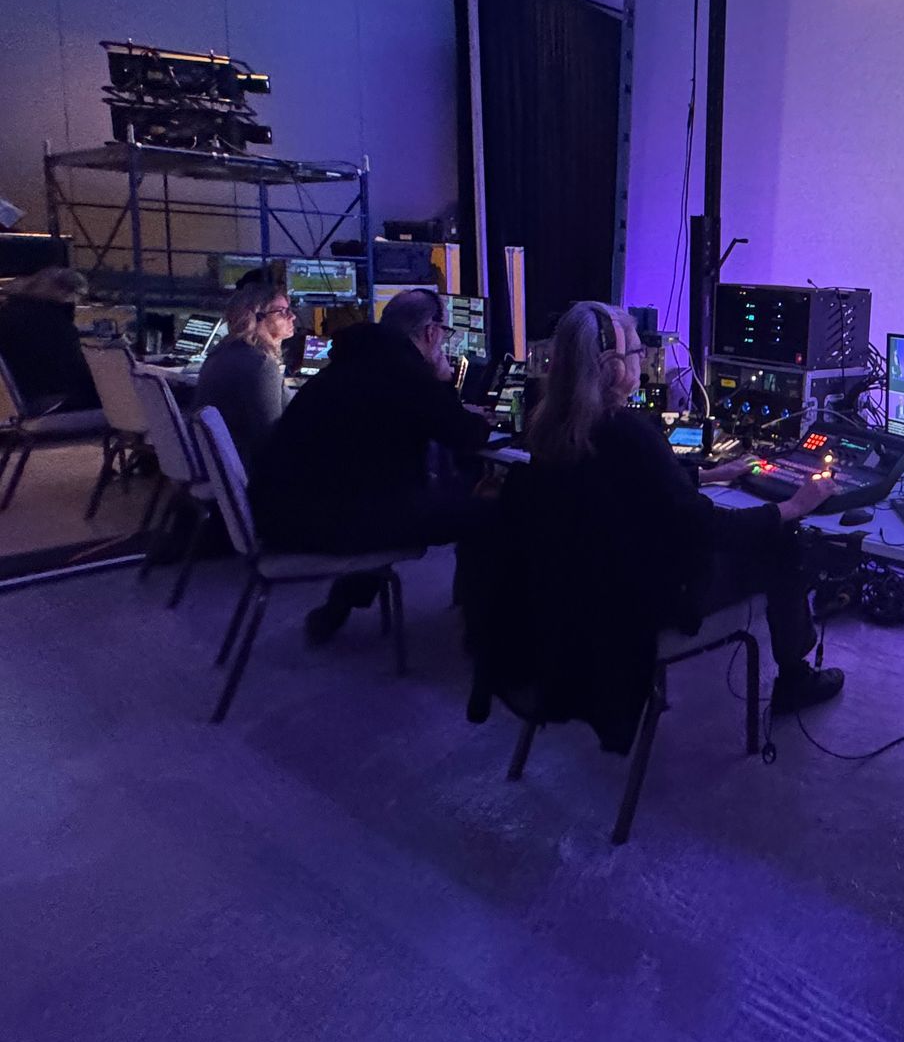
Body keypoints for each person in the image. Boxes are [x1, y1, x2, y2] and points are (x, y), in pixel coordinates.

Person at [468, 302, 843, 733]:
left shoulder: (552, 427)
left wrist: (704, 473)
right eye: (633, 354)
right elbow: (705, 528)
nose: (641, 361)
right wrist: (793, 506)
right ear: (610, 368)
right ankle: (794, 678)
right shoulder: (628, 433)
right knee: (783, 542)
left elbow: (624, 487)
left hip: (579, 605)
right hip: (646, 607)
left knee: (767, 531)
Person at [251, 287, 490, 643]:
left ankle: (337, 609)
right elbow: (467, 435)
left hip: (286, 513)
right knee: (490, 513)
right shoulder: (405, 373)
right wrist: (443, 384)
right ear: (430, 333)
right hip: (325, 521)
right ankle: (486, 636)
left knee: (390, 499)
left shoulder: (353, 364)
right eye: (443, 333)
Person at [194, 282, 295, 470]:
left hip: (218, 466)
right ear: (256, 318)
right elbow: (269, 438)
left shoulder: (221, 353)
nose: (292, 316)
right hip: (250, 471)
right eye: (282, 311)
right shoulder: (260, 365)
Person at [0, 267, 99, 412]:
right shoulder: (55, 324)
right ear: (64, 292)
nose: (79, 303)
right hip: (49, 401)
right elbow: (72, 372)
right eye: (80, 296)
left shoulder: (7, 314)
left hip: (16, 402)